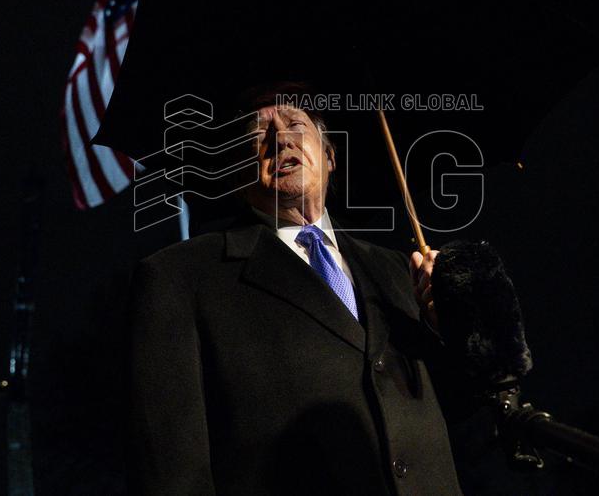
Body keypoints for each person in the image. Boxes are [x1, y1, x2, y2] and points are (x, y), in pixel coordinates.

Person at [126, 87, 478, 495]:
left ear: (329, 156)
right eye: (258, 134)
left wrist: (453, 326)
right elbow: (172, 473)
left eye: (295, 123)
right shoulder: (181, 278)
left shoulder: (399, 271)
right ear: (239, 174)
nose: (281, 138)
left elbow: (458, 412)